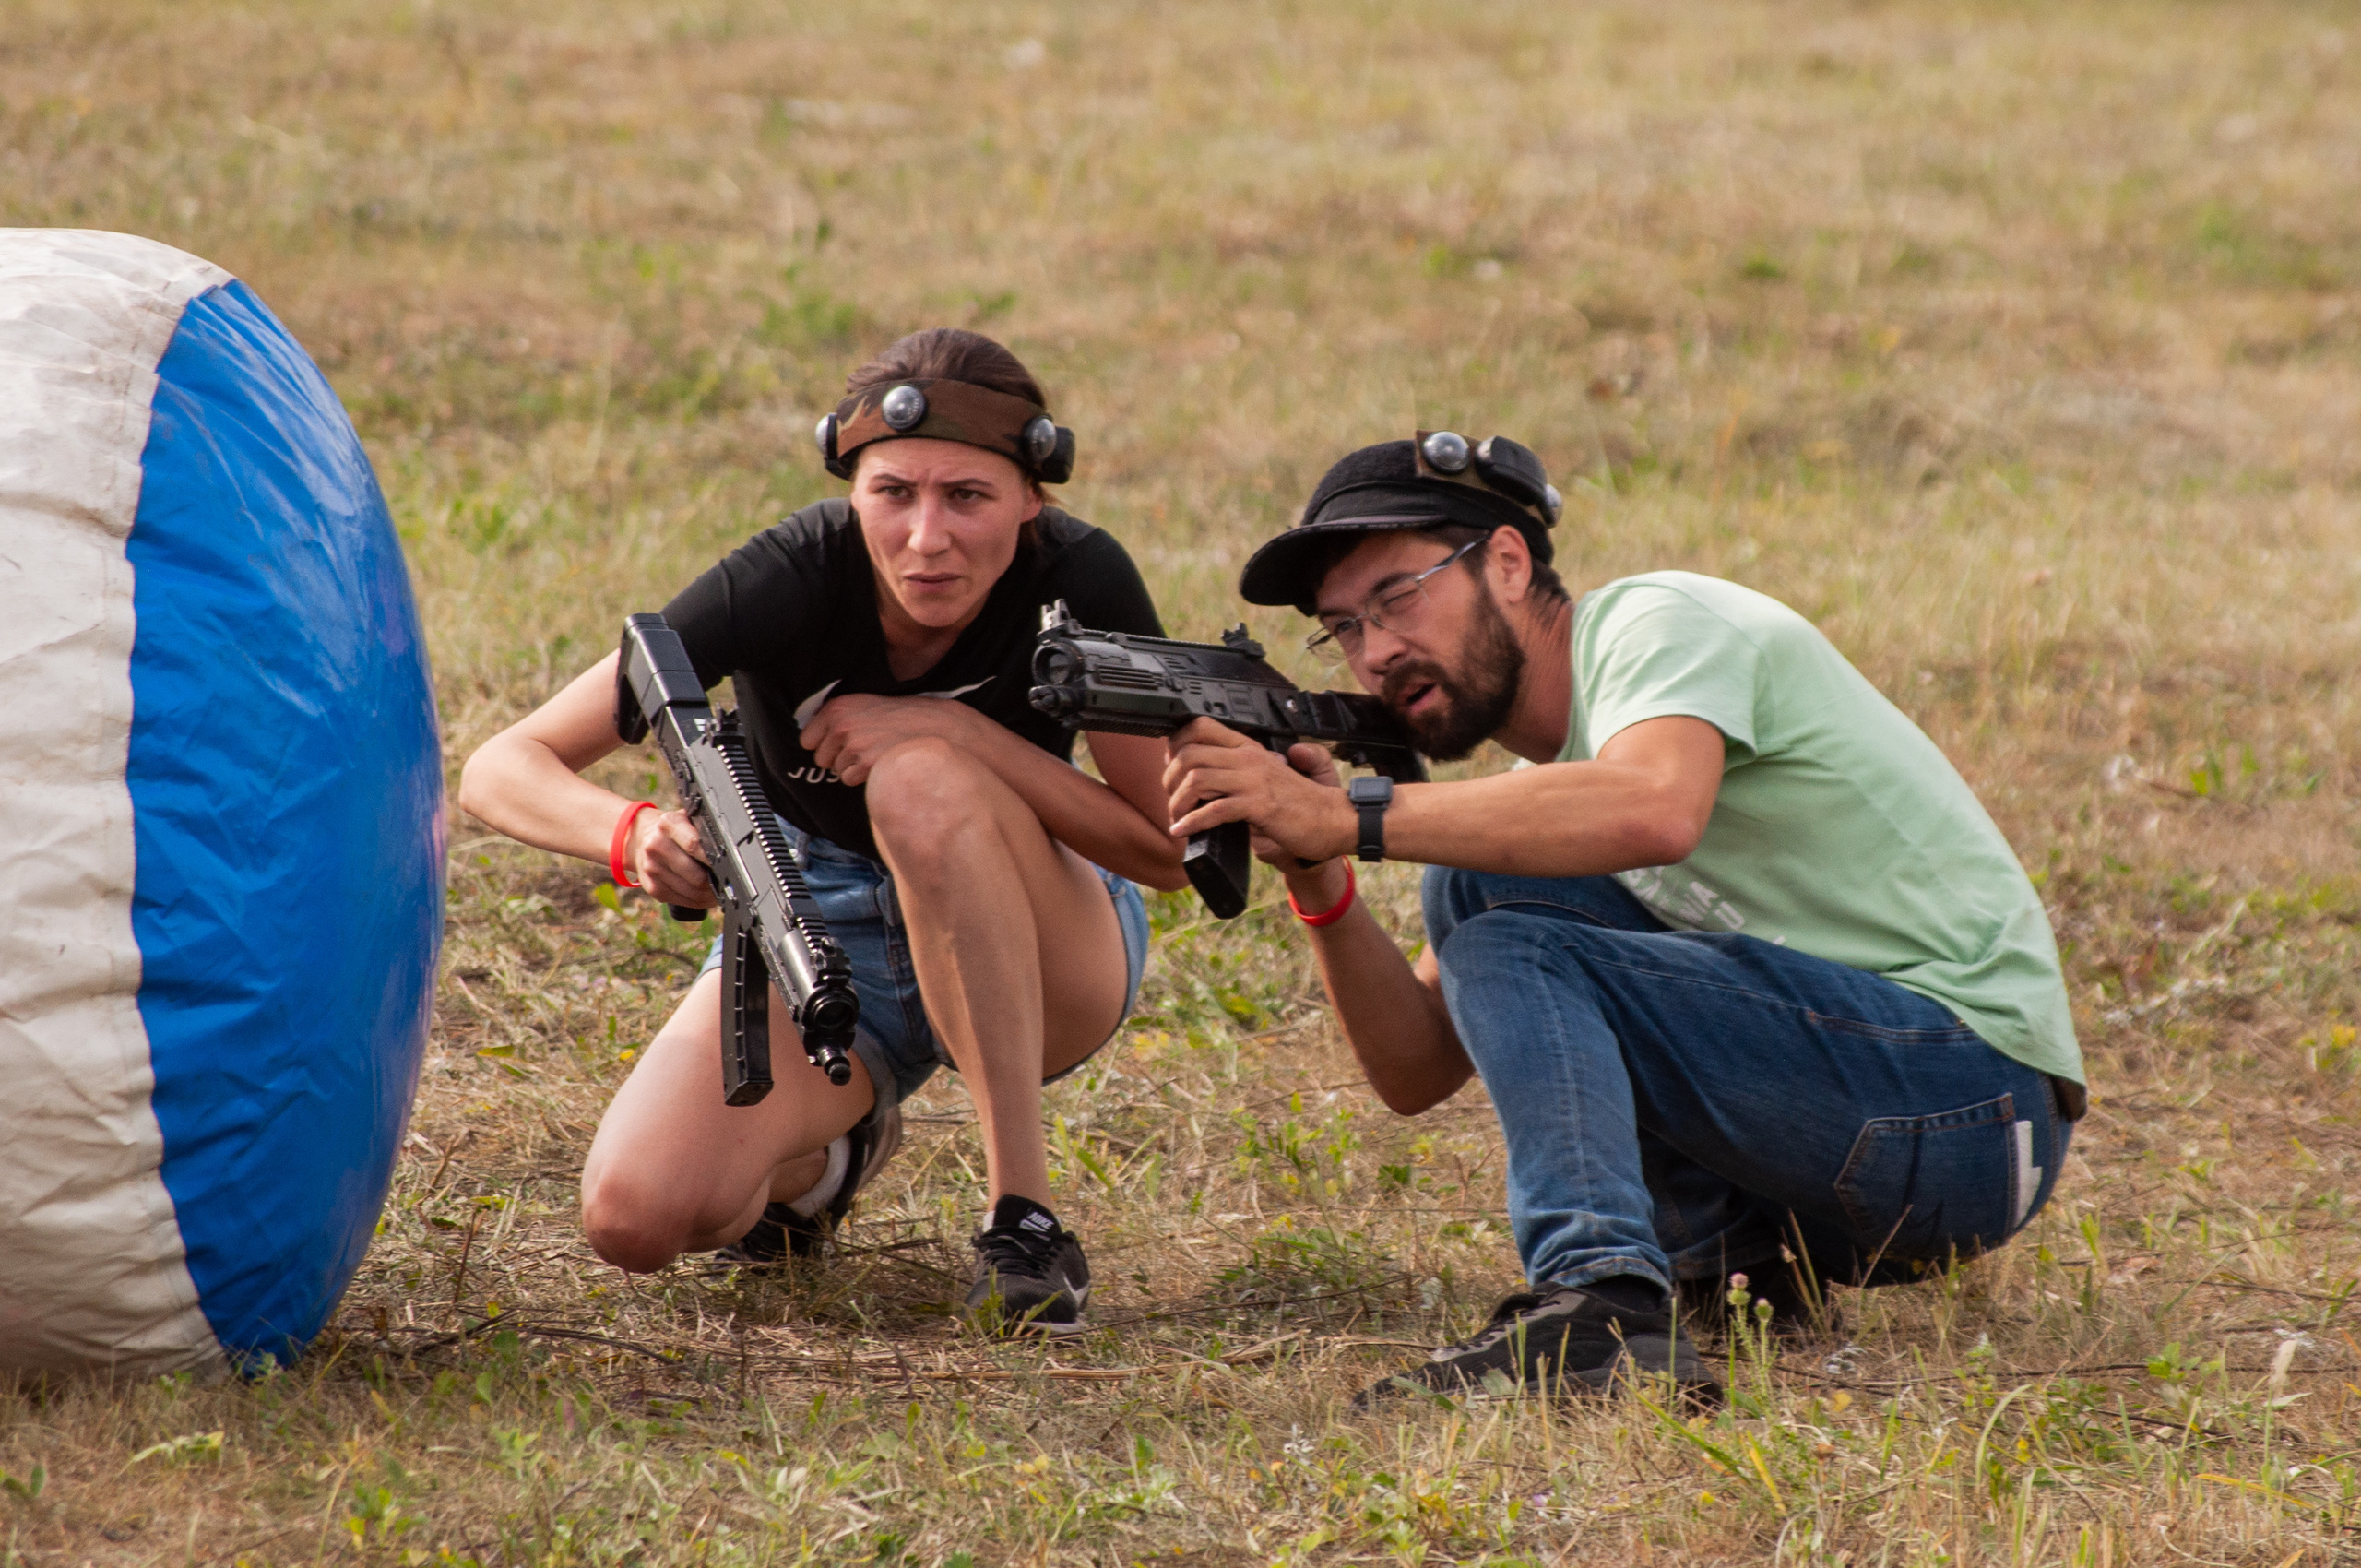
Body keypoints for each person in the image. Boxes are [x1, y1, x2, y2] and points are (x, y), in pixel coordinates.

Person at [1161, 434, 2086, 1403]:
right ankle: (1731, 1279)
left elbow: (1655, 809)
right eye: (1344, 628)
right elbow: (1416, 1068)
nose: (1377, 651)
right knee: (1474, 892)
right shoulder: (1563, 780)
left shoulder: (1660, 620)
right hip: (1850, 1151)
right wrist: (1317, 872)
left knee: (1504, 926)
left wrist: (1346, 813)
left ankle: (1600, 1303)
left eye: (1399, 596)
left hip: (1971, 1103)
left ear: (1507, 562)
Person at [459, 328, 1186, 1335]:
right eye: (893, 493)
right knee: (637, 1215)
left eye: (967, 496)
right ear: (852, 489)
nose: (926, 537)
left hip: (1041, 933)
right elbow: (502, 766)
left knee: (920, 778)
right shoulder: (791, 574)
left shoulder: (1079, 578)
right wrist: (631, 834)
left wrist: (957, 733)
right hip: (819, 922)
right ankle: (830, 1160)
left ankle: (1023, 1223)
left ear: (1031, 496)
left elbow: (1166, 850)